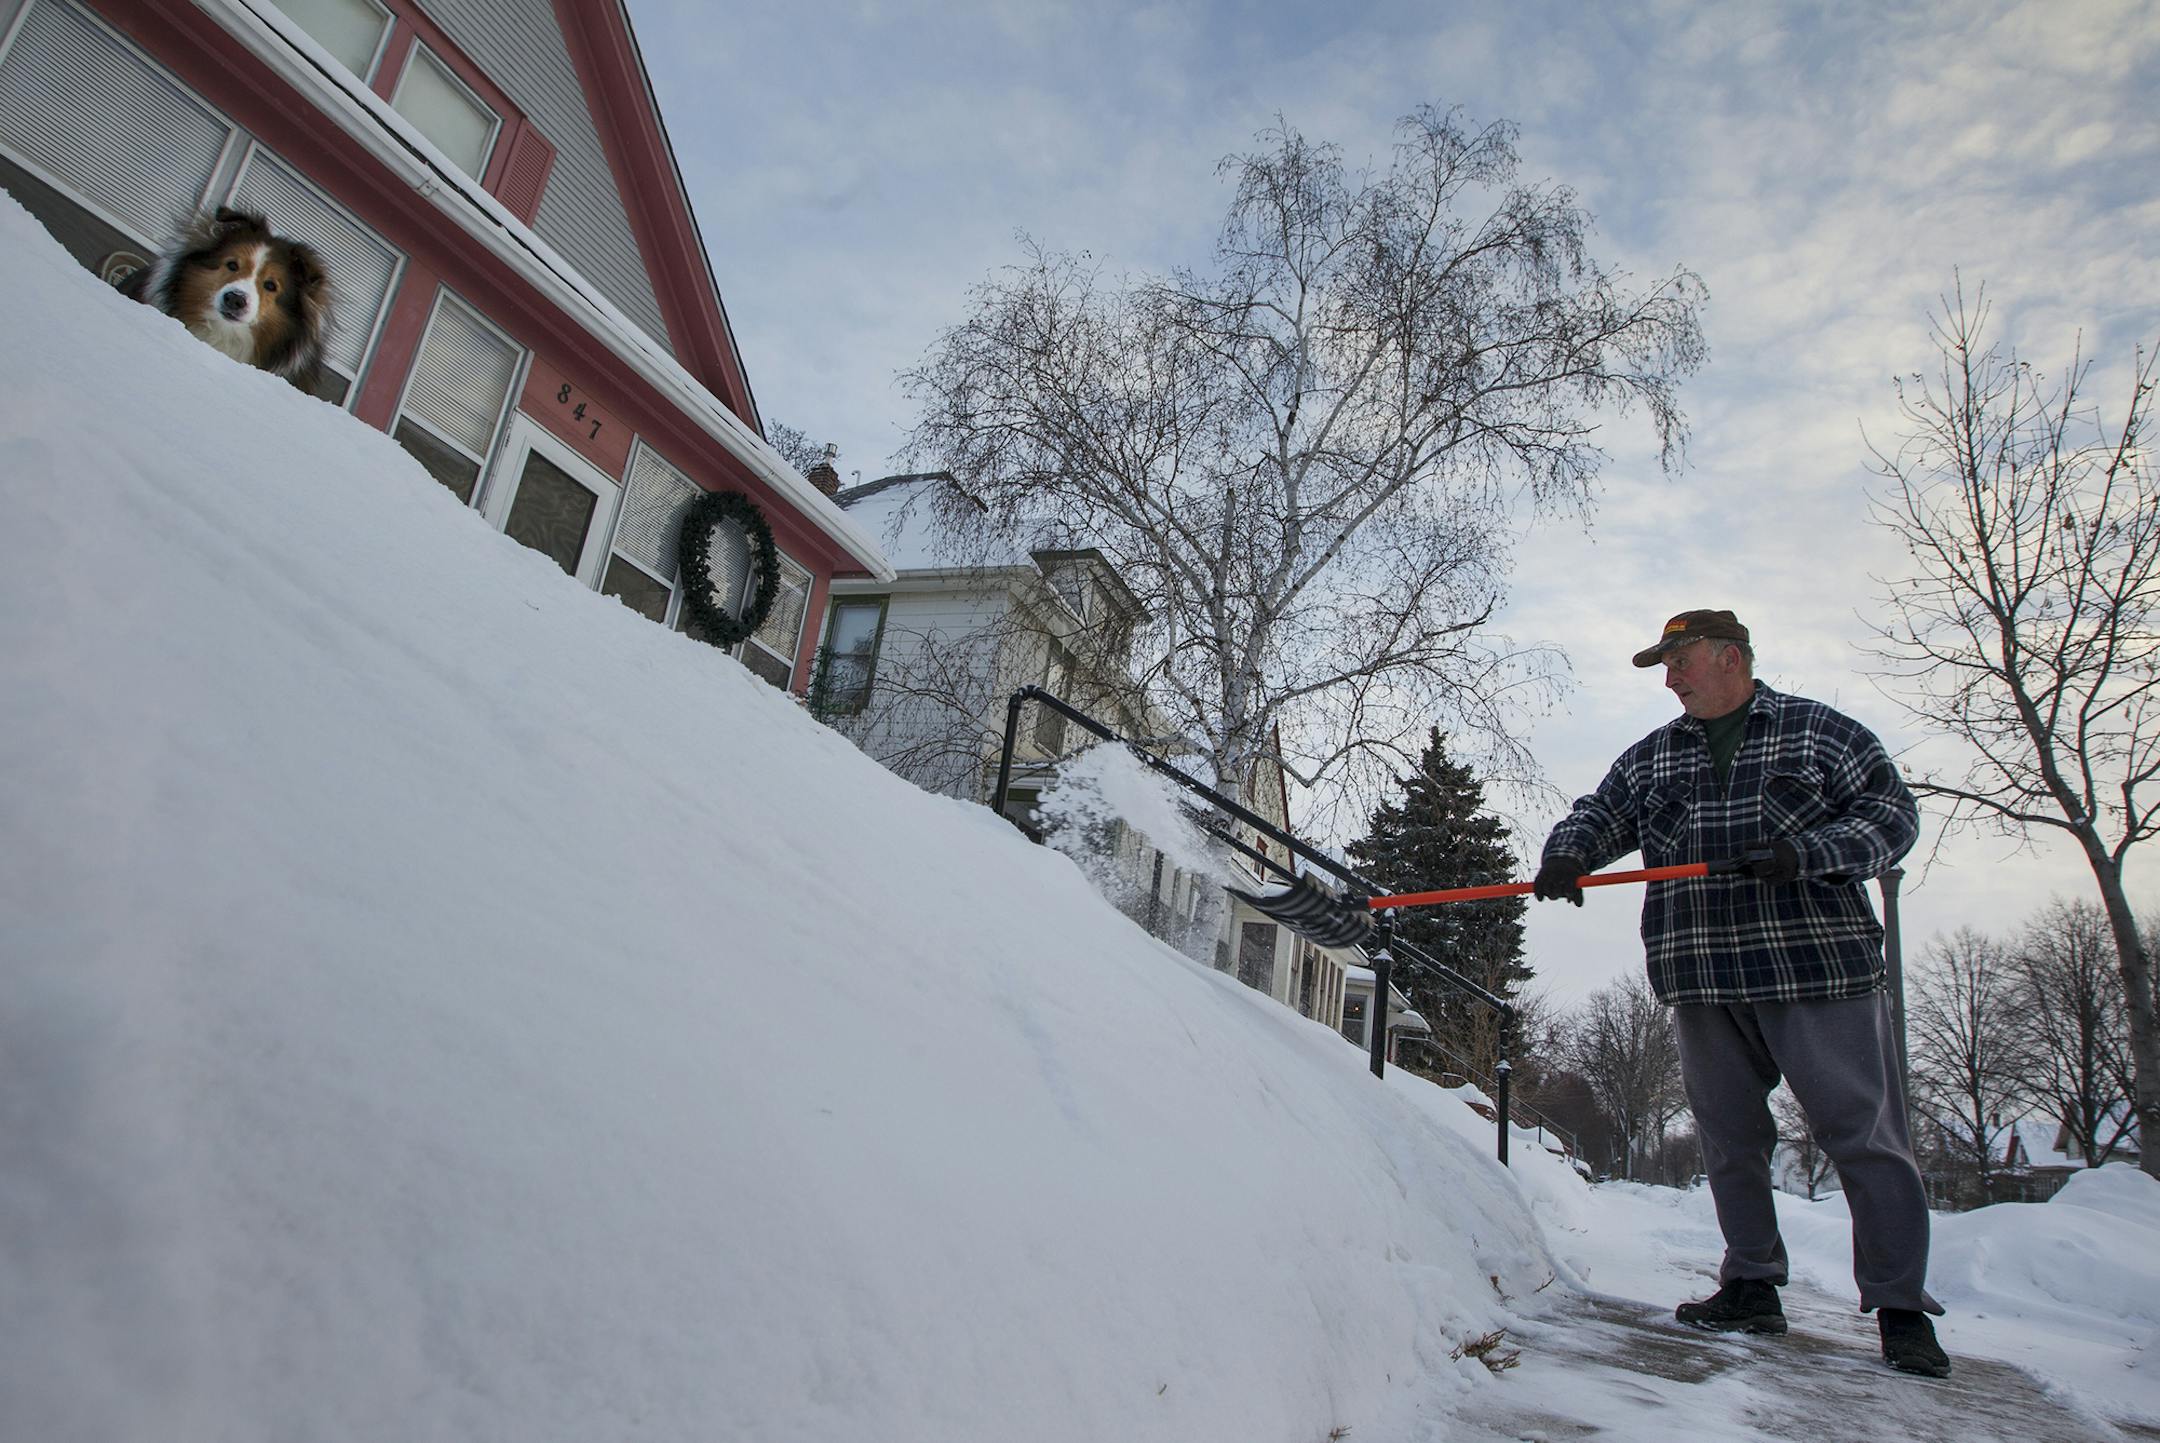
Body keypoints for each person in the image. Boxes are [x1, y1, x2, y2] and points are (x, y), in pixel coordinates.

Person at [1531, 609, 1951, 1379]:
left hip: (1814, 970)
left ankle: (1901, 1310)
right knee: (1730, 1140)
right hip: (1703, 975)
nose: (1670, 678)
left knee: (1864, 1137)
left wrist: (1808, 852)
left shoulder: (1822, 734)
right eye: (1664, 665)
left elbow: (1892, 818)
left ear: (1730, 657)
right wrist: (1570, 853)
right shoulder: (1656, 754)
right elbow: (1601, 810)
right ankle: (1752, 1285)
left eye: (1680, 660)